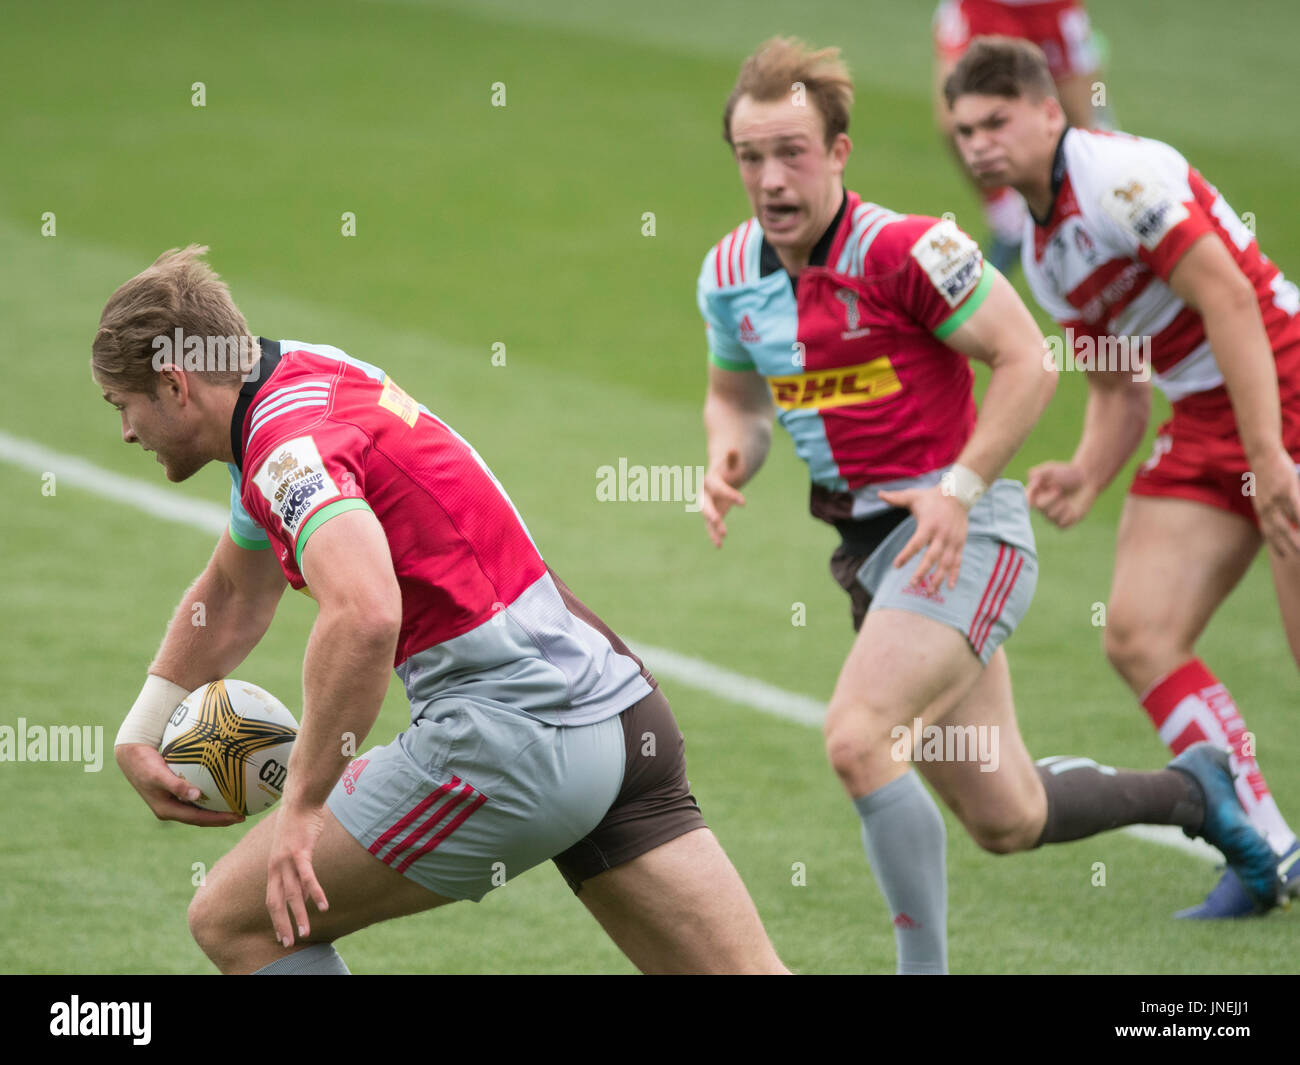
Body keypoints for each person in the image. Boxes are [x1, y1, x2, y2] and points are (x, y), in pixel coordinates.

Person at [694, 37, 1281, 973]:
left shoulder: (909, 250)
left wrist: (961, 489)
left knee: (857, 737)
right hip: (870, 555)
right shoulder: (730, 275)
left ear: (839, 153)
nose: (771, 178)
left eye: (792, 152)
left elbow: (1030, 359)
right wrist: (730, 455)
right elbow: (738, 399)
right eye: (751, 156)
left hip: (963, 540)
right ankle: (1196, 791)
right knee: (1007, 815)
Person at [94, 245, 788, 975]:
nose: (126, 432)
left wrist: (302, 803)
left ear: (174, 385)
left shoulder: (285, 451)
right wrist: (143, 730)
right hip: (619, 711)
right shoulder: (294, 376)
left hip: (516, 736)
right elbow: (235, 592)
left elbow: (365, 614)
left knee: (236, 921)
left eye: (124, 406)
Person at [944, 35, 1300, 917]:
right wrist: (1088, 472)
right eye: (963, 129)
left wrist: (1270, 457)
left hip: (1282, 387)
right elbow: (1117, 386)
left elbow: (1228, 299)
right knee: (1138, 631)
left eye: (998, 120)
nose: (979, 142)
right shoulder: (1038, 247)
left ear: (1050, 111)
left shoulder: (1116, 179)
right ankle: (1271, 851)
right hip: (1206, 417)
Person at [932, 0, 1107, 271]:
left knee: (1079, 126)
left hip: (1049, 9)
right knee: (953, 117)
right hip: (981, 7)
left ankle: (1089, 228)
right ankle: (1010, 222)